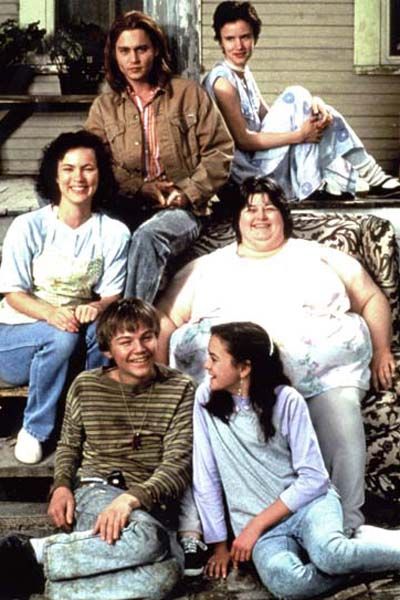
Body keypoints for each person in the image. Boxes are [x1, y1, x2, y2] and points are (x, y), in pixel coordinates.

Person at [156, 175, 396, 535]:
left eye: (269, 208)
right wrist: (160, 375)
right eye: (250, 209)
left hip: (324, 378)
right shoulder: (207, 267)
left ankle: (344, 526)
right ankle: (227, 529)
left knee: (341, 421)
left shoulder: (320, 256)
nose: (261, 216)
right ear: (237, 219)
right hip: (236, 389)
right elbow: (165, 318)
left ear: (284, 215)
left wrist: (381, 349)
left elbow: (371, 297)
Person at [0, 298, 195, 600]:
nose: (140, 349)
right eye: (126, 342)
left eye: (147, 337)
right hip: (98, 490)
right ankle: (26, 553)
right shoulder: (86, 385)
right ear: (107, 350)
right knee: (147, 539)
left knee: (167, 573)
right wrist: (61, 486)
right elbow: (69, 445)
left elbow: (177, 464)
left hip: (152, 500)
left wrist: (130, 499)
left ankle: (41, 573)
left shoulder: (180, 387)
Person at [193, 321, 400, 599]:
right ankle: (357, 555)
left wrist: (255, 526)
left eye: (214, 358)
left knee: (330, 555)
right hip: (265, 532)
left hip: (309, 506)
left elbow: (314, 479)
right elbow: (205, 475)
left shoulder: (286, 400)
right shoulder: (205, 399)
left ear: (243, 368)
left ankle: (350, 553)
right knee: (288, 584)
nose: (206, 365)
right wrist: (219, 546)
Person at [0, 130, 130, 465]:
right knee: (61, 335)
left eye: (88, 168)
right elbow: (13, 294)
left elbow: (112, 295)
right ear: (55, 176)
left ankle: (85, 426)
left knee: (102, 332)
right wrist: (51, 313)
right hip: (16, 337)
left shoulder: (113, 232)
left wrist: (95, 307)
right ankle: (35, 429)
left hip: (71, 335)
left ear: (100, 174)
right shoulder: (28, 226)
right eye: (69, 169)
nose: (78, 178)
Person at [85, 10, 233, 303]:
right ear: (114, 56)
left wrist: (186, 192)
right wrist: (141, 188)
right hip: (127, 202)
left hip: (182, 208)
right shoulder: (104, 107)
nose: (133, 59)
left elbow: (220, 152)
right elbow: (96, 163)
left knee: (148, 236)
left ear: (156, 51)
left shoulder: (189, 94)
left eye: (141, 49)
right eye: (124, 51)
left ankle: (130, 320)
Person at [203, 1, 400, 201]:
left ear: (255, 37)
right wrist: (300, 135)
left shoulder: (243, 73)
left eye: (245, 37)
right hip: (246, 175)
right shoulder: (223, 83)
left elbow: (269, 117)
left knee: (313, 109)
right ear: (220, 41)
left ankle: (368, 176)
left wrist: (315, 102)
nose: (238, 46)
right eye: (230, 39)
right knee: (296, 93)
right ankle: (359, 178)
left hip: (262, 160)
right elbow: (244, 141)